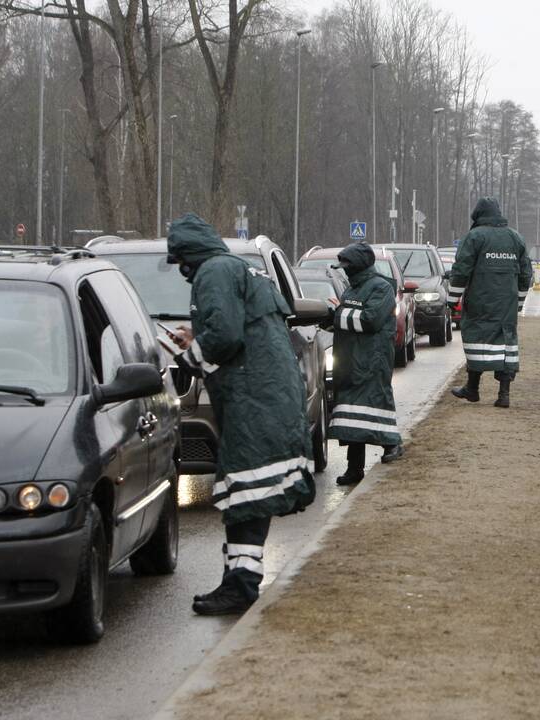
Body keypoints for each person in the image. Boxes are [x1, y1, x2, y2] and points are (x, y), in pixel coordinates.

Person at [166, 213, 316, 616]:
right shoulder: (238, 269)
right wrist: (199, 339)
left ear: (188, 256)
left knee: (245, 494)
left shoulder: (212, 273)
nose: (180, 272)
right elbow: (244, 332)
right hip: (268, 397)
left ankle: (242, 585)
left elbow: (227, 337)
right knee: (247, 493)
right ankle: (239, 580)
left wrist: (189, 356)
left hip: (255, 401)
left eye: (179, 262)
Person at [328, 241, 404, 486]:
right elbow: (350, 318)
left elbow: (369, 320)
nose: (344, 270)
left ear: (358, 266)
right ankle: (354, 468)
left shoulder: (381, 288)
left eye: (346, 265)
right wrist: (329, 318)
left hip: (373, 360)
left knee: (376, 402)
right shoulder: (351, 290)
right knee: (352, 415)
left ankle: (392, 444)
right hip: (350, 360)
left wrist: (337, 315)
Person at [448, 197, 532, 408]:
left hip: (479, 302)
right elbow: (525, 274)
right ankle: (504, 394)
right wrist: (519, 302)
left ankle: (472, 389)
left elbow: (461, 270)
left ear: (478, 215)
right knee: (506, 346)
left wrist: (452, 299)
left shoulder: (474, 237)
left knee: (477, 342)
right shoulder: (516, 238)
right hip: (507, 305)